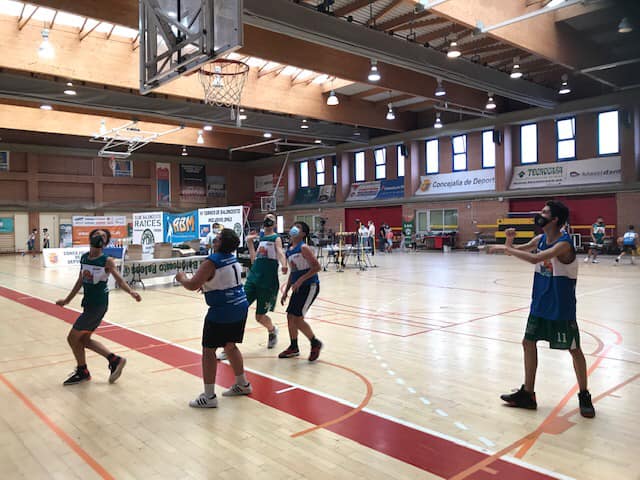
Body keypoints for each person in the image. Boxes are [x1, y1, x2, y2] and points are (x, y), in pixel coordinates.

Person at [490, 200, 595, 418]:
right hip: (540, 303)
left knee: (574, 349)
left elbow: (535, 258)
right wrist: (509, 241)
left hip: (561, 306)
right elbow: (514, 252)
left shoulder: (564, 244)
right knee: (528, 343)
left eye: (545, 212)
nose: (540, 214)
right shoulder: (539, 239)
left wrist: (505, 248)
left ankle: (584, 395)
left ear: (554, 219)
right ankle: (528, 394)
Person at [175, 228, 252, 408]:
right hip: (240, 305)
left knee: (209, 350)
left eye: (217, 239)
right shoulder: (232, 259)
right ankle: (243, 384)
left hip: (223, 310)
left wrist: (182, 278)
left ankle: (209, 396)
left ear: (221, 243)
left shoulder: (212, 261)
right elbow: (223, 281)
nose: (213, 241)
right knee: (230, 346)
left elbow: (192, 284)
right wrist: (208, 285)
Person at [56, 229, 141, 385]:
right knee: (84, 340)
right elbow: (80, 281)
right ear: (90, 238)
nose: (99, 237)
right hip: (88, 303)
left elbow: (120, 280)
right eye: (97, 234)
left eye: (103, 236)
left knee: (72, 337)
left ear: (105, 242)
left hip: (98, 305)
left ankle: (83, 370)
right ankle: (114, 360)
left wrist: (131, 292)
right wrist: (67, 300)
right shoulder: (84, 258)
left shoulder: (106, 261)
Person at [279, 221, 323, 361]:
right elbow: (293, 272)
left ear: (303, 233)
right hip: (298, 286)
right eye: (294, 226)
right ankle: (293, 347)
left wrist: (301, 280)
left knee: (298, 319)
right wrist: (286, 291)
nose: (294, 228)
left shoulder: (304, 248)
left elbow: (317, 267)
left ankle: (315, 343)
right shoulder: (289, 250)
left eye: (298, 227)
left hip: (310, 286)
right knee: (290, 316)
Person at [242, 213, 287, 350]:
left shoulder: (276, 238)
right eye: (266, 218)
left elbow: (280, 251)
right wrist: (249, 243)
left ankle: (272, 330)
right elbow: (253, 260)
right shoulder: (259, 238)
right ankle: (229, 345)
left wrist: (284, 264)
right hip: (253, 278)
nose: (268, 220)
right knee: (239, 308)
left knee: (260, 316)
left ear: (274, 224)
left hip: (267, 281)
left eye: (271, 218)